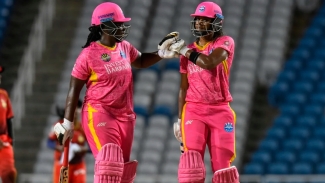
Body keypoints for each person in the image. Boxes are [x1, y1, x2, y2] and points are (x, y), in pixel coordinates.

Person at [52, 2, 178, 183]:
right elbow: (74, 89)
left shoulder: (124, 47)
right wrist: (68, 123)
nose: (122, 27)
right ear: (103, 26)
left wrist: (160, 53)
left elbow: (140, 61)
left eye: (122, 24)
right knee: (109, 164)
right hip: (99, 112)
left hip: (125, 117)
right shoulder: (88, 55)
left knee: (122, 172)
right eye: (117, 24)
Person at [167, 2, 239, 183]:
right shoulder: (188, 51)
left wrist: (184, 50)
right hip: (193, 110)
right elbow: (183, 88)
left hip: (220, 110)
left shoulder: (225, 42)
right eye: (197, 19)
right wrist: (179, 118)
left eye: (204, 19)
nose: (199, 23)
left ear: (216, 23)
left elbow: (209, 62)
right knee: (191, 167)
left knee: (223, 169)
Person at [48, 100, 89, 183]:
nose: (75, 110)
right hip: (62, 165)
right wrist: (58, 147)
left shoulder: (83, 127)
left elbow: (92, 146)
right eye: (73, 107)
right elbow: (49, 142)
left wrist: (84, 149)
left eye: (77, 107)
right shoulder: (58, 125)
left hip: (78, 164)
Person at [0, 66, 17, 183]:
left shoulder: (4, 95)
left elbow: (9, 118)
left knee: (9, 173)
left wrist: (11, 140)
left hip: (4, 142)